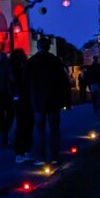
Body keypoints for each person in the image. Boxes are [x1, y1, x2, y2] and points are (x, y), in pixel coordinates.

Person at [25, 36, 69, 165]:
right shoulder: (55, 61)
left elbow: (26, 81)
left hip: (38, 99)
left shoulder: (32, 62)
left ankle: (40, 157)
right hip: (53, 99)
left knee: (39, 128)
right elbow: (63, 81)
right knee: (54, 128)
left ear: (38, 47)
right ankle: (55, 156)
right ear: (49, 47)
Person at [10, 49, 34, 164]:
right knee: (23, 125)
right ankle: (21, 151)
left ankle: (23, 151)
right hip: (22, 100)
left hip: (21, 99)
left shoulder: (17, 69)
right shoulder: (17, 70)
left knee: (24, 125)